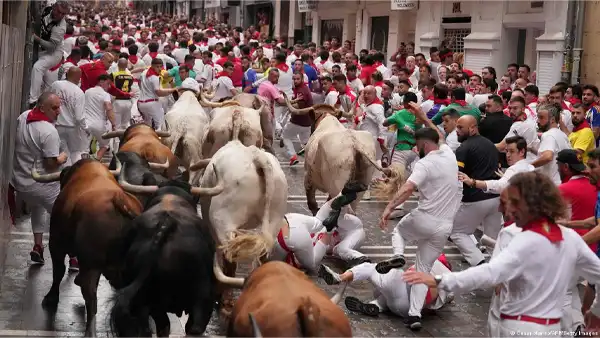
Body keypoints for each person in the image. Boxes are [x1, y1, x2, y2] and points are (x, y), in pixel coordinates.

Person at [403, 171, 600, 338]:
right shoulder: (571, 239)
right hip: (552, 329)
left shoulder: (525, 240)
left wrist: (438, 280)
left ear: (531, 204)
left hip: (517, 328)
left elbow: (490, 273)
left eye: (514, 203)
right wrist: (597, 311)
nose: (508, 210)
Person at [376, 102, 461, 331]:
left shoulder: (424, 164)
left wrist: (389, 208)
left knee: (398, 231)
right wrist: (423, 116)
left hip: (424, 218)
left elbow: (406, 189)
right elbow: (439, 133)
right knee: (423, 270)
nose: (416, 148)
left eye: (417, 145)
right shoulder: (449, 154)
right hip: (444, 227)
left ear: (423, 144)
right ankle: (414, 316)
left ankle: (399, 255)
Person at [11, 92, 78, 270]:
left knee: (37, 208)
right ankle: (73, 256)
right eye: (54, 108)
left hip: (21, 182)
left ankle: (38, 247)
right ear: (42, 108)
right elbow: (50, 166)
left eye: (59, 106)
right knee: (64, 217)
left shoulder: (23, 116)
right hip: (43, 185)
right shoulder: (48, 132)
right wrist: (62, 157)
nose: (59, 111)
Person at [271, 182, 367, 272]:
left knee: (337, 249)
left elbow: (324, 241)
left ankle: (361, 259)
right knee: (319, 220)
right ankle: (342, 194)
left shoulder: (300, 250)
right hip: (290, 219)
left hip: (348, 231)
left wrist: (329, 232)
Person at [319, 254, 454, 318]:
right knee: (383, 293)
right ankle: (376, 305)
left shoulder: (430, 261)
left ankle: (339, 278)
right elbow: (435, 305)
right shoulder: (449, 283)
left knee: (370, 269)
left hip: (402, 289)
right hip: (405, 310)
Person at [451, 115, 503, 266]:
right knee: (492, 240)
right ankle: (498, 270)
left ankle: (479, 264)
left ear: (473, 128)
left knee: (457, 232)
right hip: (495, 198)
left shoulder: (464, 148)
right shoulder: (490, 145)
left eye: (461, 128)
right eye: (457, 127)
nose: (457, 131)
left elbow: (457, 176)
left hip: (475, 198)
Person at [458, 136, 534, 194]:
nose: (507, 155)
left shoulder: (514, 169)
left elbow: (499, 186)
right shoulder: (531, 167)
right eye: (507, 151)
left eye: (512, 151)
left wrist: (472, 182)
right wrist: (506, 177)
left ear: (522, 152)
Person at [29, 1, 69, 107]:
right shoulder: (47, 8)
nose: (60, 15)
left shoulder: (60, 27)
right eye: (59, 12)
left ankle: (33, 100)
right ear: (54, 7)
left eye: (63, 14)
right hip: (43, 48)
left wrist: (36, 38)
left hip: (54, 53)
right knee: (45, 82)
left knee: (38, 67)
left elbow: (51, 47)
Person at [51, 67, 87, 165]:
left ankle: (64, 174)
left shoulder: (56, 85)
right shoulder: (79, 92)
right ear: (79, 77)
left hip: (57, 126)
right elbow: (79, 117)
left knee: (62, 153)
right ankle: (77, 174)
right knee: (75, 153)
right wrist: (84, 129)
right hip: (73, 128)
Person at [530, 103, 571, 186]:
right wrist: (531, 149)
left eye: (541, 117)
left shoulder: (548, 135)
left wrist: (529, 167)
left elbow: (548, 157)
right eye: (538, 117)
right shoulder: (562, 135)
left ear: (552, 120)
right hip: (561, 183)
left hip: (552, 185)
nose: (537, 121)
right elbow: (555, 154)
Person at [83, 74, 117, 160]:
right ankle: (95, 162)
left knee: (84, 149)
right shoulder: (105, 94)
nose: (109, 87)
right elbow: (108, 108)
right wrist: (113, 124)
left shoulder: (87, 91)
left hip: (85, 123)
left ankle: (83, 166)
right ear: (101, 82)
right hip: (99, 125)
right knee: (105, 145)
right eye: (108, 83)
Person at [138, 58, 178, 130]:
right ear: (152, 66)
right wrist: (172, 90)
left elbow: (139, 83)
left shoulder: (144, 72)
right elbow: (159, 93)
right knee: (160, 126)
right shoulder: (154, 77)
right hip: (152, 103)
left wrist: (145, 91)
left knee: (147, 126)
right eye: (157, 66)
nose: (159, 69)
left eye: (161, 66)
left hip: (141, 103)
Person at [283, 72, 312, 166]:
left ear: (302, 79)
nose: (295, 81)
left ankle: (293, 156)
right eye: (294, 79)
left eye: (297, 79)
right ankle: (303, 151)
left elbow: (296, 108)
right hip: (307, 123)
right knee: (305, 143)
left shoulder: (301, 91)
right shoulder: (303, 88)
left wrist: (288, 103)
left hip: (297, 121)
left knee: (286, 137)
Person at [111, 58, 134, 134]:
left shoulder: (114, 75)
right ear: (126, 66)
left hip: (118, 101)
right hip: (128, 101)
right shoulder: (130, 75)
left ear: (118, 65)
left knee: (117, 126)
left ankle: (116, 144)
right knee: (125, 125)